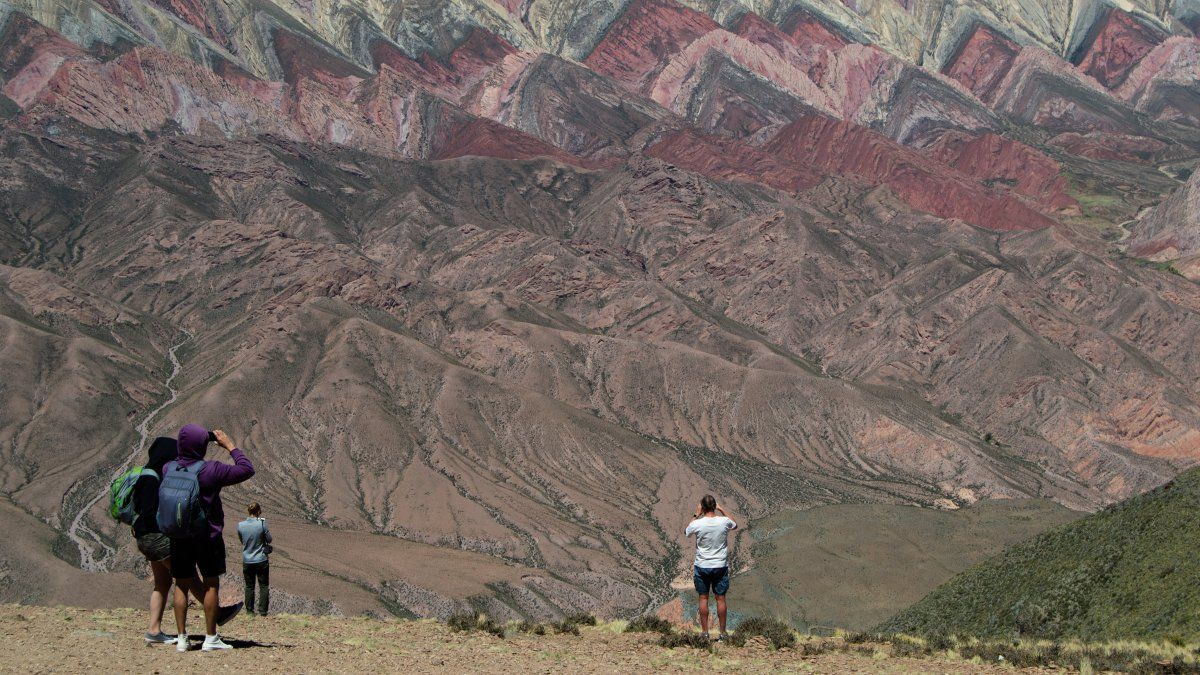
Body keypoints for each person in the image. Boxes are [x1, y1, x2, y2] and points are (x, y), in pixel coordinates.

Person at [169, 424, 255, 652]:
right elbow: (246, 469)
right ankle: (210, 637)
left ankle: (182, 638)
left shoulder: (169, 468)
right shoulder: (210, 470)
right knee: (210, 584)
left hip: (179, 536)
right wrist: (229, 446)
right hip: (207, 536)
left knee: (181, 584)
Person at [132, 437, 185, 644]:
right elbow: (149, 512)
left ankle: (154, 631)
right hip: (155, 537)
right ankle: (217, 614)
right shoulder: (152, 479)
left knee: (162, 582)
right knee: (185, 575)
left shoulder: (147, 475)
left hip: (146, 537)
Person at [684, 495, 737, 641]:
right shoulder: (724, 521)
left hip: (702, 565)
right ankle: (723, 633)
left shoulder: (697, 523)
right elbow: (734, 524)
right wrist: (722, 509)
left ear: (702, 507)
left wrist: (696, 514)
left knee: (703, 598)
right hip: (720, 565)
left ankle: (705, 633)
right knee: (721, 599)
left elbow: (687, 531)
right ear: (714, 506)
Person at [237, 502, 272, 616]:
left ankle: (249, 611)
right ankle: (263, 611)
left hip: (247, 560)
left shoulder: (240, 525)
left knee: (249, 586)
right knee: (264, 586)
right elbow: (269, 539)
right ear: (258, 511)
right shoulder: (261, 524)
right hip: (261, 559)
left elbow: (242, 541)